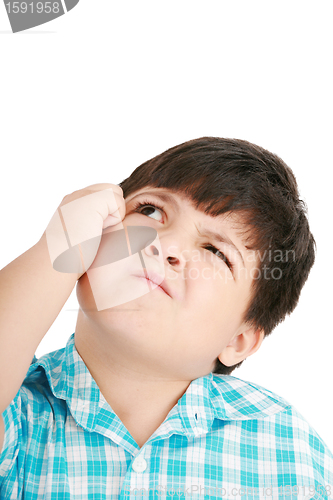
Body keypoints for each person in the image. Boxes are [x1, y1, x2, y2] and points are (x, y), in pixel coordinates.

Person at [0, 137, 332, 499]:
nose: (164, 245)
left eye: (215, 251)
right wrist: (56, 249)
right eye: (150, 211)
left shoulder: (287, 450)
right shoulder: (17, 410)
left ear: (237, 341)